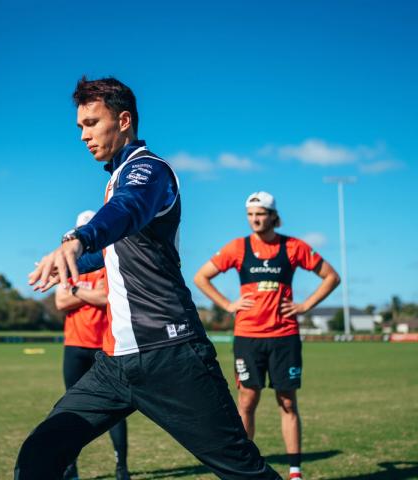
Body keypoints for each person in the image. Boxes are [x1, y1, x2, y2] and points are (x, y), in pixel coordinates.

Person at [15, 76, 280, 480]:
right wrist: (71, 262)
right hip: (116, 365)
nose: (84, 135)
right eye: (79, 127)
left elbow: (128, 209)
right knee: (40, 453)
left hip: (171, 354)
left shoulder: (148, 171)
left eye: (91, 123)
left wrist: (77, 237)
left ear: (123, 121)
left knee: (244, 471)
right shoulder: (115, 178)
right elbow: (114, 251)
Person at [193, 191, 341, 480]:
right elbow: (201, 277)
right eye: (250, 215)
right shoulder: (238, 248)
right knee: (247, 401)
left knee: (287, 402)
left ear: (273, 216)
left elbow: (331, 277)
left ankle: (295, 472)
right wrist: (227, 304)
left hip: (284, 336)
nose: (255, 219)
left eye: (260, 214)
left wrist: (305, 305)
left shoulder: (294, 247)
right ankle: (243, 470)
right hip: (248, 337)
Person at [54, 210, 130, 480]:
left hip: (105, 346)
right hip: (74, 345)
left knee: (116, 409)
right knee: (71, 408)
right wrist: (86, 293)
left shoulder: (109, 260)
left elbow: (106, 298)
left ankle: (122, 467)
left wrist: (74, 290)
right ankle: (70, 468)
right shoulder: (71, 262)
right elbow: (61, 302)